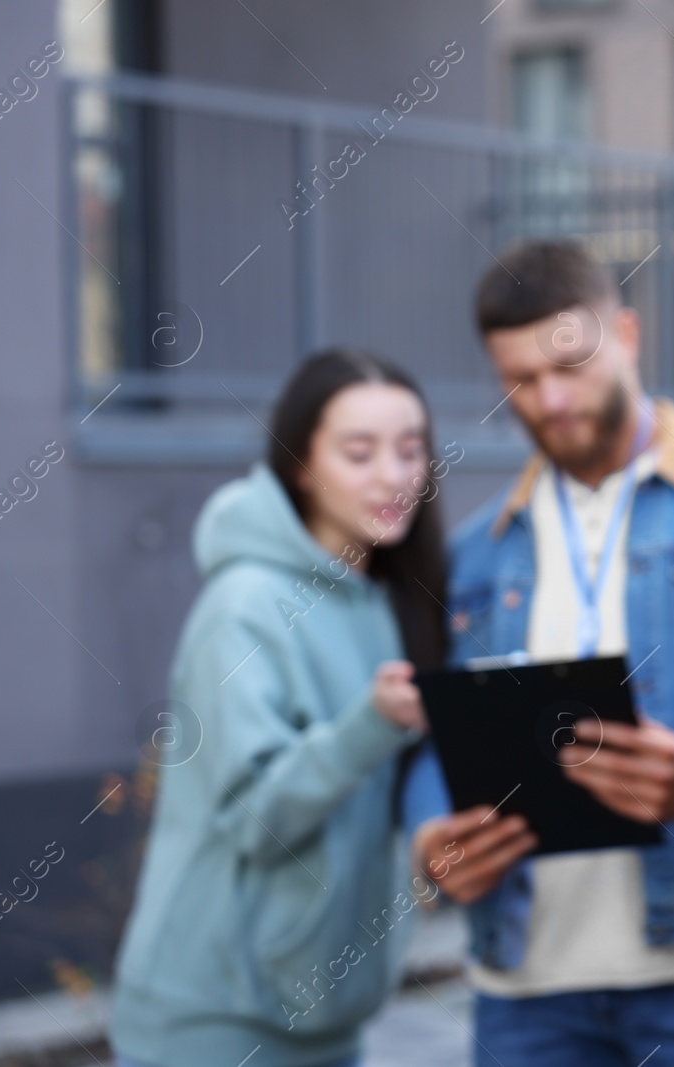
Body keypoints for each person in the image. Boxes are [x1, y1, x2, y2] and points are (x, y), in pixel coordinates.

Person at [401, 240, 674, 1065]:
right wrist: (432, 843)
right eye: (520, 380)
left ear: (627, 333)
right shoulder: (474, 560)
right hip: (523, 990)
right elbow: (434, 741)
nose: (551, 399)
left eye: (570, 364)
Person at [110, 349, 454, 1067]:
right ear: (302, 464)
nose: (393, 475)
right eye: (360, 453)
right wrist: (372, 725)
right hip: (215, 1017)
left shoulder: (394, 601)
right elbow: (255, 817)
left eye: (410, 450)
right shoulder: (243, 608)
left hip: (329, 1016)